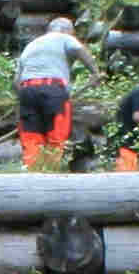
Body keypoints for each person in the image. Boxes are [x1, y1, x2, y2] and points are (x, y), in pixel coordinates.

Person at [13, 20, 89, 165]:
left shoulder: (31, 45)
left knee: (31, 136)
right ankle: (51, 170)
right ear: (68, 30)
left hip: (27, 90)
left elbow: (16, 82)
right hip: (53, 90)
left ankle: (33, 170)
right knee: (56, 134)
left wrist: (25, 100)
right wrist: (95, 72)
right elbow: (79, 50)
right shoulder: (63, 36)